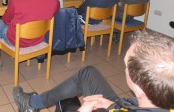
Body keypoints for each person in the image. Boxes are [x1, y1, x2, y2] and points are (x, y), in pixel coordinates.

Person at [13, 30, 174, 112]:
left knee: (66, 100)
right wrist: (113, 106)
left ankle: (30, 105)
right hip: (123, 106)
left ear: (139, 87)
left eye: (126, 66)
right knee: (88, 73)